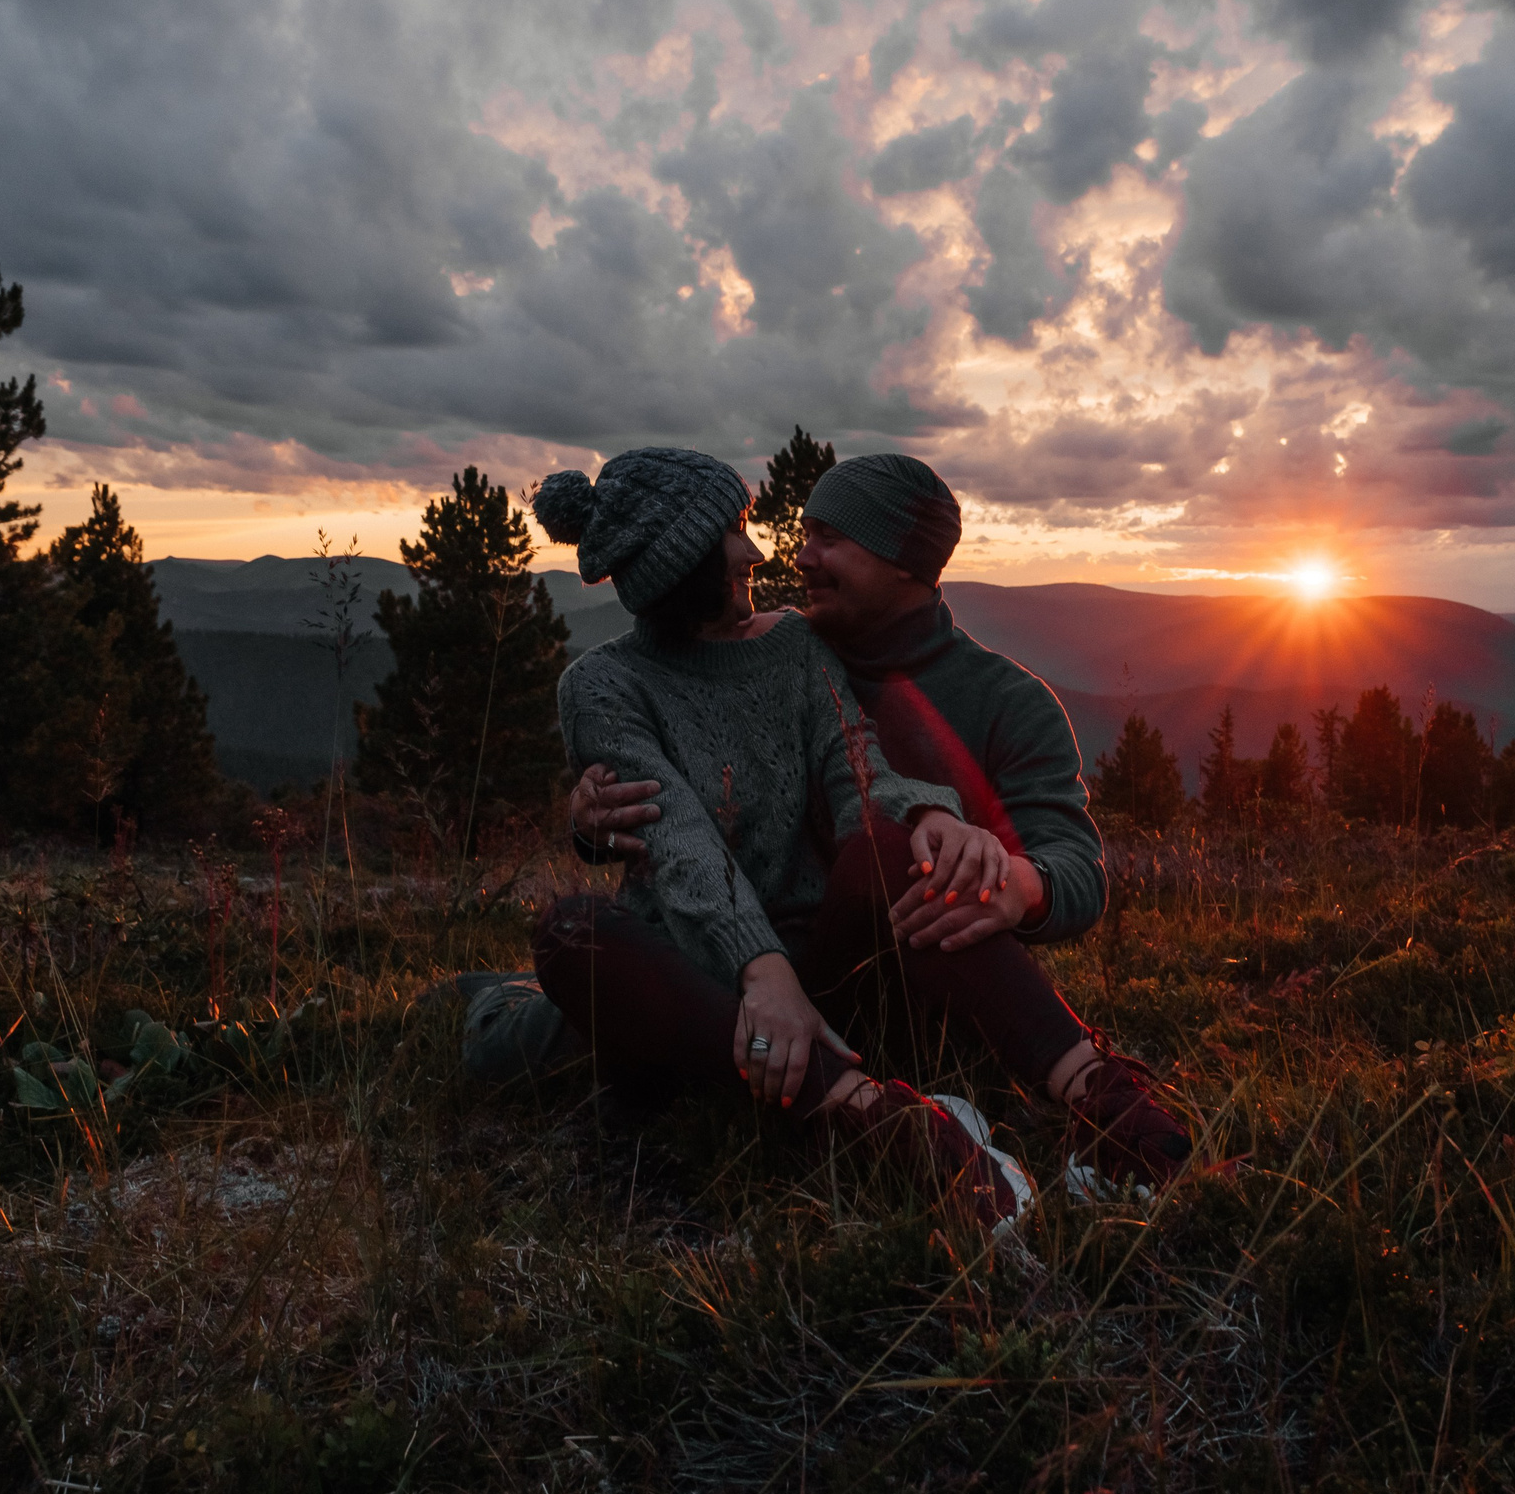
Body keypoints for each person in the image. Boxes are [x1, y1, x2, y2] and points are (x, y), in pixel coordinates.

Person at [475, 450, 1191, 1194]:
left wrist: (996, 868)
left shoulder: (985, 696)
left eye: (830, 538)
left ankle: (1110, 1109)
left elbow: (884, 782)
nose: (784, 554)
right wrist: (604, 831)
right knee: (570, 942)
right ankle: (884, 1126)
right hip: (717, 975)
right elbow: (681, 834)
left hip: (877, 975)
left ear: (901, 562)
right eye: (763, 532)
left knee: (895, 849)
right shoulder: (686, 665)